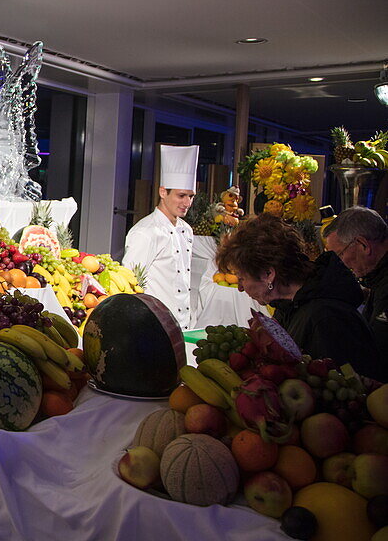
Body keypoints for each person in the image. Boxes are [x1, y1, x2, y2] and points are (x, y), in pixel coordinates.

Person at [216, 214, 384, 380]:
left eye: (242, 278)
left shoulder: (326, 318)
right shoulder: (291, 307)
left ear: (268, 274)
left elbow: (345, 394)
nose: (239, 288)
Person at [122, 145, 198, 330]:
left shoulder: (186, 230)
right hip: (154, 324)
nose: (187, 203)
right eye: (181, 195)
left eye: (191, 196)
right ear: (163, 192)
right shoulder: (145, 232)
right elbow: (129, 283)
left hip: (184, 324)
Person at [323, 206, 388, 350]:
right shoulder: (377, 278)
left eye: (340, 255)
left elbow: (379, 349)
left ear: (363, 245)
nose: (340, 264)